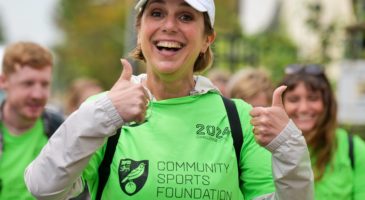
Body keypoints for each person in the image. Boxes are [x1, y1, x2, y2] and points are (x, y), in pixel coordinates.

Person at [25, 1, 313, 199]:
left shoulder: (240, 118)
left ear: (207, 39)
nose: (169, 26)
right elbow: (43, 187)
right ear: (139, 30)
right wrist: (104, 113)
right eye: (157, 12)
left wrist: (289, 148)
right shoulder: (104, 110)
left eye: (186, 16)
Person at [279, 64, 365, 200]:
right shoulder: (265, 149)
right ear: (280, 104)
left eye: (313, 98)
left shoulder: (354, 149)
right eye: (294, 99)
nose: (303, 108)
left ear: (327, 103)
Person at [0, 41, 64, 199]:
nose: (38, 94)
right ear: (3, 81)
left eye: (44, 84)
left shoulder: (60, 129)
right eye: (28, 84)